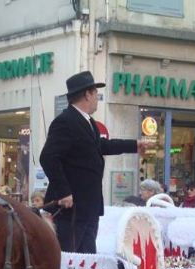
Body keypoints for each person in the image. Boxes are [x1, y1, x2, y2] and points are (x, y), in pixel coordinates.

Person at [40, 70, 142, 253]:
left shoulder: (88, 122)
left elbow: (101, 146)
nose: (97, 97)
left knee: (87, 261)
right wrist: (64, 192)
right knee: (69, 260)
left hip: (88, 207)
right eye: (95, 93)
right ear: (87, 94)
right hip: (72, 209)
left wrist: (134, 145)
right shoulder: (65, 121)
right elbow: (48, 157)